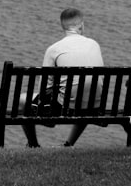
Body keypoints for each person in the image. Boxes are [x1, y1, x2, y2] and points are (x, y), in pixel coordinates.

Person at [22, 8, 104, 148]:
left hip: (67, 107)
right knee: (85, 92)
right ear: (81, 26)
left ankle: (33, 144)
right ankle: (69, 143)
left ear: (63, 27)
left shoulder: (54, 49)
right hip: (94, 106)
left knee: (21, 99)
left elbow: (44, 88)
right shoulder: (94, 45)